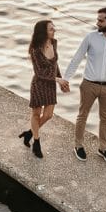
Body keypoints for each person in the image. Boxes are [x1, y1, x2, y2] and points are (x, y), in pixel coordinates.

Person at [62, 6, 106, 163]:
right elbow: (77, 58)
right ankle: (78, 145)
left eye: (101, 20)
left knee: (105, 117)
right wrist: (66, 78)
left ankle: (103, 148)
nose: (97, 22)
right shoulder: (90, 37)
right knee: (82, 115)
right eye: (97, 19)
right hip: (89, 84)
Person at [20, 20, 69, 159]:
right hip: (39, 85)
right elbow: (40, 73)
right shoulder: (35, 50)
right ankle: (36, 142)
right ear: (43, 32)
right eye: (51, 29)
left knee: (48, 115)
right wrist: (57, 79)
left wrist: (60, 80)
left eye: (54, 28)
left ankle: (29, 133)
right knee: (36, 114)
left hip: (51, 86)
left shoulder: (54, 43)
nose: (54, 30)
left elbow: (55, 64)